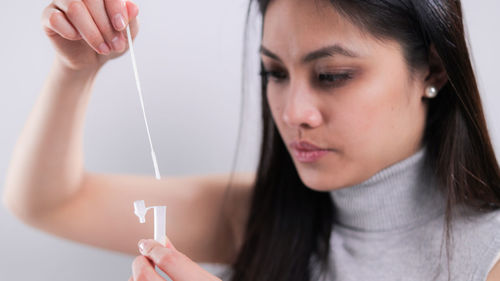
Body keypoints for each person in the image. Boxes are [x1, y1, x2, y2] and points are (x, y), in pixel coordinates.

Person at [3, 0, 500, 280]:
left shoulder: (489, 256)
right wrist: (74, 73)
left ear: (433, 68)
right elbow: (49, 202)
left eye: (332, 75)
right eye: (273, 73)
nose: (292, 113)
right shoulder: (259, 215)